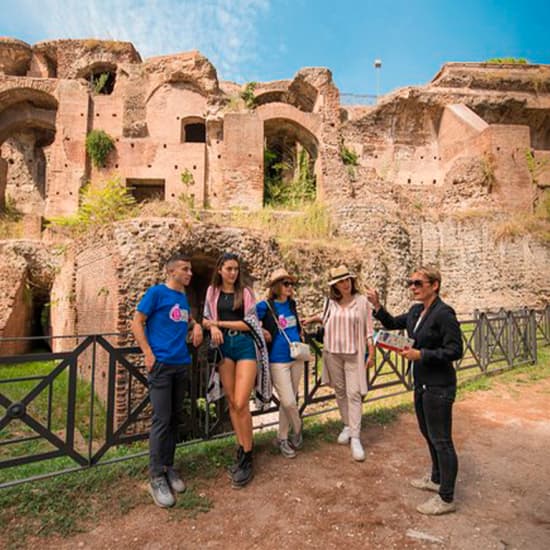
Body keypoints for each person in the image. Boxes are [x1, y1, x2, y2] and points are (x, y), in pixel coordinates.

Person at [366, 266, 463, 515]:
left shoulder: (444, 313)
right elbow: (391, 323)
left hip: (439, 386)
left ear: (435, 285)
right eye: (411, 283)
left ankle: (446, 498)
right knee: (428, 433)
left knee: (441, 440)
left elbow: (455, 350)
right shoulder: (416, 310)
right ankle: (436, 478)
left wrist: (422, 354)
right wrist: (377, 305)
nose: (413, 287)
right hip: (421, 384)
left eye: (418, 283)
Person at [131, 254, 203, 508]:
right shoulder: (156, 293)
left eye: (191, 269)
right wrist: (148, 352)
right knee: (161, 420)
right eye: (185, 268)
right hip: (161, 365)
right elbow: (137, 322)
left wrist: (196, 326)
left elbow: (187, 319)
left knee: (174, 417)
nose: (190, 273)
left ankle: (169, 466)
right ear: (171, 271)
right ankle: (155, 476)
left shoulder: (182, 298)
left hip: (181, 363)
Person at [202, 252, 269, 488]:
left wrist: (218, 324)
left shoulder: (246, 293)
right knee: (231, 402)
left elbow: (249, 323)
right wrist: (211, 328)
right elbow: (205, 319)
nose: (233, 273)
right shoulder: (212, 293)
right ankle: (241, 448)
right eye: (229, 268)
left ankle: (248, 455)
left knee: (241, 402)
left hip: (244, 345)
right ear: (220, 270)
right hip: (223, 347)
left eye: (236, 269)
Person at [304, 265, 375, 461]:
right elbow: (324, 317)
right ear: (334, 285)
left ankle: (356, 437)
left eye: (347, 280)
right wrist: (310, 319)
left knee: (354, 393)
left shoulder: (362, 302)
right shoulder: (329, 303)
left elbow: (369, 330)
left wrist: (372, 353)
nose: (345, 284)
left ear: (352, 281)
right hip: (333, 353)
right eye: (340, 282)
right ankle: (347, 425)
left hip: (353, 354)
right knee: (340, 390)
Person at [256, 268, 305, 459]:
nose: (290, 287)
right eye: (286, 284)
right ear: (276, 287)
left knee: (289, 401)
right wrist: (262, 330)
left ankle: (283, 438)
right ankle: (299, 428)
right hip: (278, 360)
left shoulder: (292, 304)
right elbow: (250, 319)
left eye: (291, 283)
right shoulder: (265, 306)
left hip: (297, 357)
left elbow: (295, 325)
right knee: (288, 401)